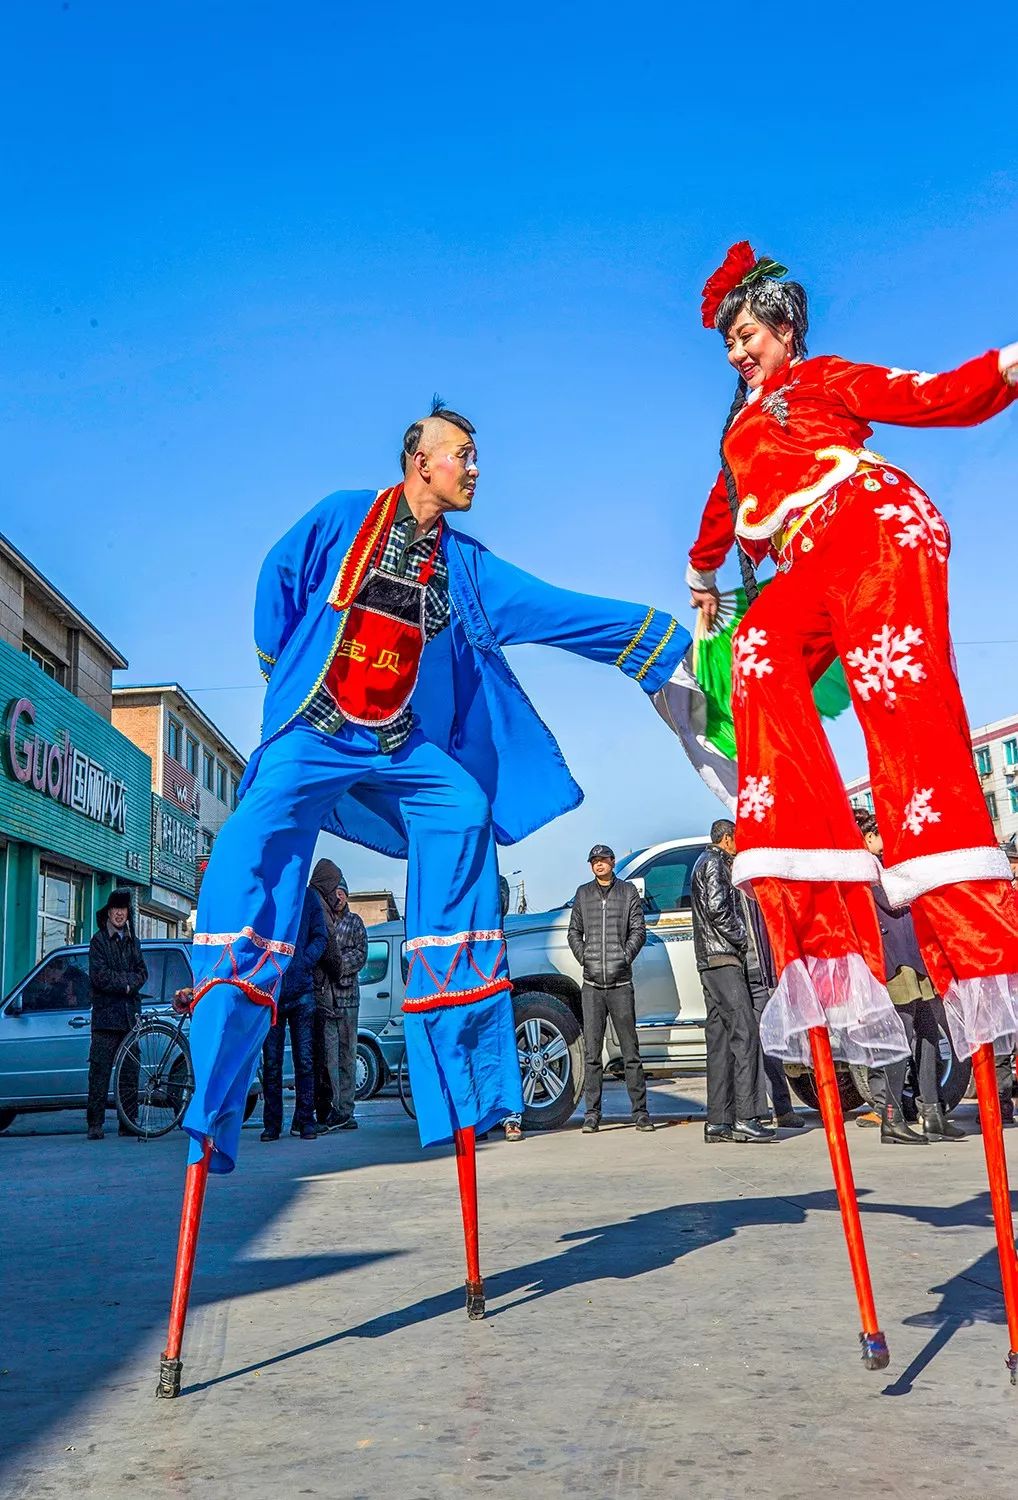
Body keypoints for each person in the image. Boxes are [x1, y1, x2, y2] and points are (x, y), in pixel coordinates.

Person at [183, 400, 690, 1173]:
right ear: (420, 460)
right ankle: (220, 1047)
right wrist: (281, 678)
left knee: (461, 806)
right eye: (464, 453)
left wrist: (662, 642)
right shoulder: (340, 518)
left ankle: (463, 1067)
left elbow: (559, 611)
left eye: (477, 454)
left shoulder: (466, 566)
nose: (476, 467)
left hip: (398, 742)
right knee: (255, 830)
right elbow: (276, 586)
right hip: (317, 727)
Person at [854, 808, 964, 1144]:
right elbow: (894, 901)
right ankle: (892, 1117)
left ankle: (931, 1110)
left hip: (915, 957)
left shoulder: (885, 863)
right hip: (893, 961)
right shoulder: (864, 868)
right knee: (899, 1039)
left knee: (929, 1034)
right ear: (868, 836)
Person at [690, 820, 772, 1143]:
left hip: (711, 961)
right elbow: (717, 909)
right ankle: (746, 1116)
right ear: (727, 839)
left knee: (721, 1040)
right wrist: (741, 939)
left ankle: (718, 1121)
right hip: (722, 958)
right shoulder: (714, 864)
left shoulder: (707, 862)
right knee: (745, 1031)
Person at [567, 844, 653, 1134]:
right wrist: (585, 956)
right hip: (591, 985)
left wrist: (624, 956)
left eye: (603, 860)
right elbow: (573, 932)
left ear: (612, 862)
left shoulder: (627, 892)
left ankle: (640, 1113)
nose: (599, 865)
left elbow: (639, 931)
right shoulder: (583, 894)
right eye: (594, 861)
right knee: (592, 1054)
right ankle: (592, 1114)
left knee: (630, 1051)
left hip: (621, 984)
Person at [260, 884, 328, 1141]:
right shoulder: (271, 892)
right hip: (273, 991)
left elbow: (320, 936)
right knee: (272, 1062)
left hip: (302, 991)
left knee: (305, 1059)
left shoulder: (308, 896)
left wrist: (303, 961)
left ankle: (305, 1119)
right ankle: (272, 1123)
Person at [310, 857, 367, 1132]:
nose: (339, 897)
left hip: (348, 999)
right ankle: (333, 1108)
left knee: (348, 1055)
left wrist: (338, 966)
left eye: (343, 893)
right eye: (336, 892)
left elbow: (361, 954)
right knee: (329, 1058)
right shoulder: (323, 918)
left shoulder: (355, 922)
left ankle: (347, 1109)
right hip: (327, 1000)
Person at [86, 890, 147, 1140]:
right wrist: (126, 984)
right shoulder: (98, 941)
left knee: (130, 1073)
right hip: (106, 1019)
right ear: (109, 912)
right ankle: (95, 1124)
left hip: (130, 1018)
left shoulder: (134, 942)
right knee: (99, 1073)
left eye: (124, 909)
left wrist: (130, 984)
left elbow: (142, 973)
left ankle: (128, 1123)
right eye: (116, 909)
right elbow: (100, 976)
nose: (120, 913)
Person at [742, 893, 802, 1128]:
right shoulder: (719, 872)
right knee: (747, 1043)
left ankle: (781, 1107)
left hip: (761, 968)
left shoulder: (756, 881)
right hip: (736, 969)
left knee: (769, 1038)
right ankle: (752, 1111)